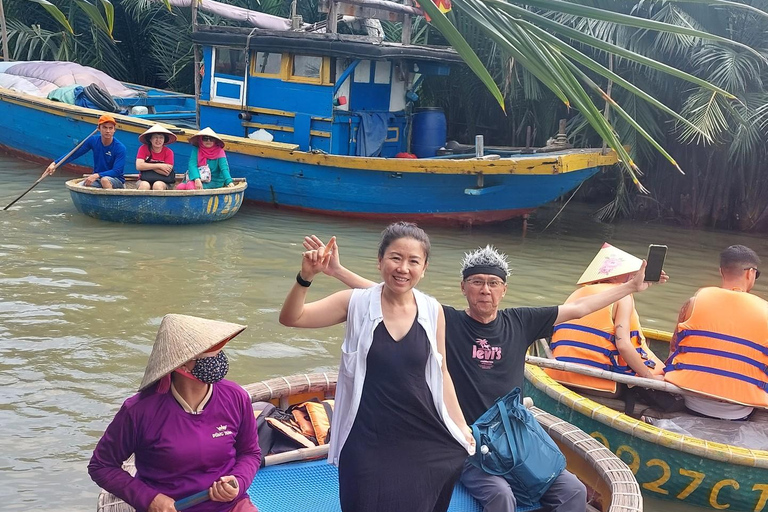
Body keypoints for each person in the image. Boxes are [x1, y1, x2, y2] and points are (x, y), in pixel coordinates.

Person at [303, 236, 666, 512]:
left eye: (493, 284)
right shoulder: (444, 319)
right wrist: (337, 272)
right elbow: (388, 293)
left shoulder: (520, 321)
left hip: (517, 435)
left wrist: (631, 287)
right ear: (463, 288)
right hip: (469, 440)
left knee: (571, 491)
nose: (485, 291)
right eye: (477, 282)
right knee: (500, 495)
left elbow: (581, 307)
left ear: (504, 289)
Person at [280, 223, 474, 512]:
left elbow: (441, 371)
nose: (403, 268)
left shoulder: (433, 311)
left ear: (424, 268)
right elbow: (292, 318)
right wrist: (305, 277)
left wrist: (460, 424)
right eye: (395, 258)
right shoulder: (354, 303)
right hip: (366, 437)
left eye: (413, 261)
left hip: (420, 435)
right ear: (380, 260)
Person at [88, 314, 261, 512]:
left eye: (220, 352)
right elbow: (101, 466)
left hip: (229, 506)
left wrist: (238, 482)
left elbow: (250, 453)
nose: (218, 360)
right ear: (181, 365)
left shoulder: (236, 397)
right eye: (210, 355)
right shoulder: (139, 411)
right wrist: (150, 499)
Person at [545, 243, 674, 412]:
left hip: (558, 374)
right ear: (614, 277)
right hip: (598, 382)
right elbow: (623, 345)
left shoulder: (576, 294)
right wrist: (649, 379)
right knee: (666, 381)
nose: (632, 278)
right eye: (629, 274)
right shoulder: (623, 296)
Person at [665, 245, 768, 420]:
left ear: (721, 271)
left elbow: (674, 349)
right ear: (750, 273)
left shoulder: (693, 302)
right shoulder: (765, 310)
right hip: (740, 410)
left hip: (690, 398)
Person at [43, 114, 126, 189]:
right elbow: (74, 154)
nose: (108, 131)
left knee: (105, 180)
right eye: (104, 127)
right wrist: (55, 164)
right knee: (79, 186)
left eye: (110, 128)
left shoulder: (120, 148)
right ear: (98, 128)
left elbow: (117, 171)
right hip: (98, 179)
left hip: (116, 180)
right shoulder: (93, 141)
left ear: (114, 130)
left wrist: (97, 175)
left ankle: (109, 204)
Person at [135, 124, 177, 191]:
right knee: (144, 186)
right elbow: (139, 166)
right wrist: (159, 166)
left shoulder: (169, 152)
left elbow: (166, 172)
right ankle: (143, 202)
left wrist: (146, 166)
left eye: (161, 138)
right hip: (144, 179)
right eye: (155, 137)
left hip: (164, 181)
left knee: (157, 185)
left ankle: (159, 202)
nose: (158, 140)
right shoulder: (143, 148)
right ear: (150, 139)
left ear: (164, 140)